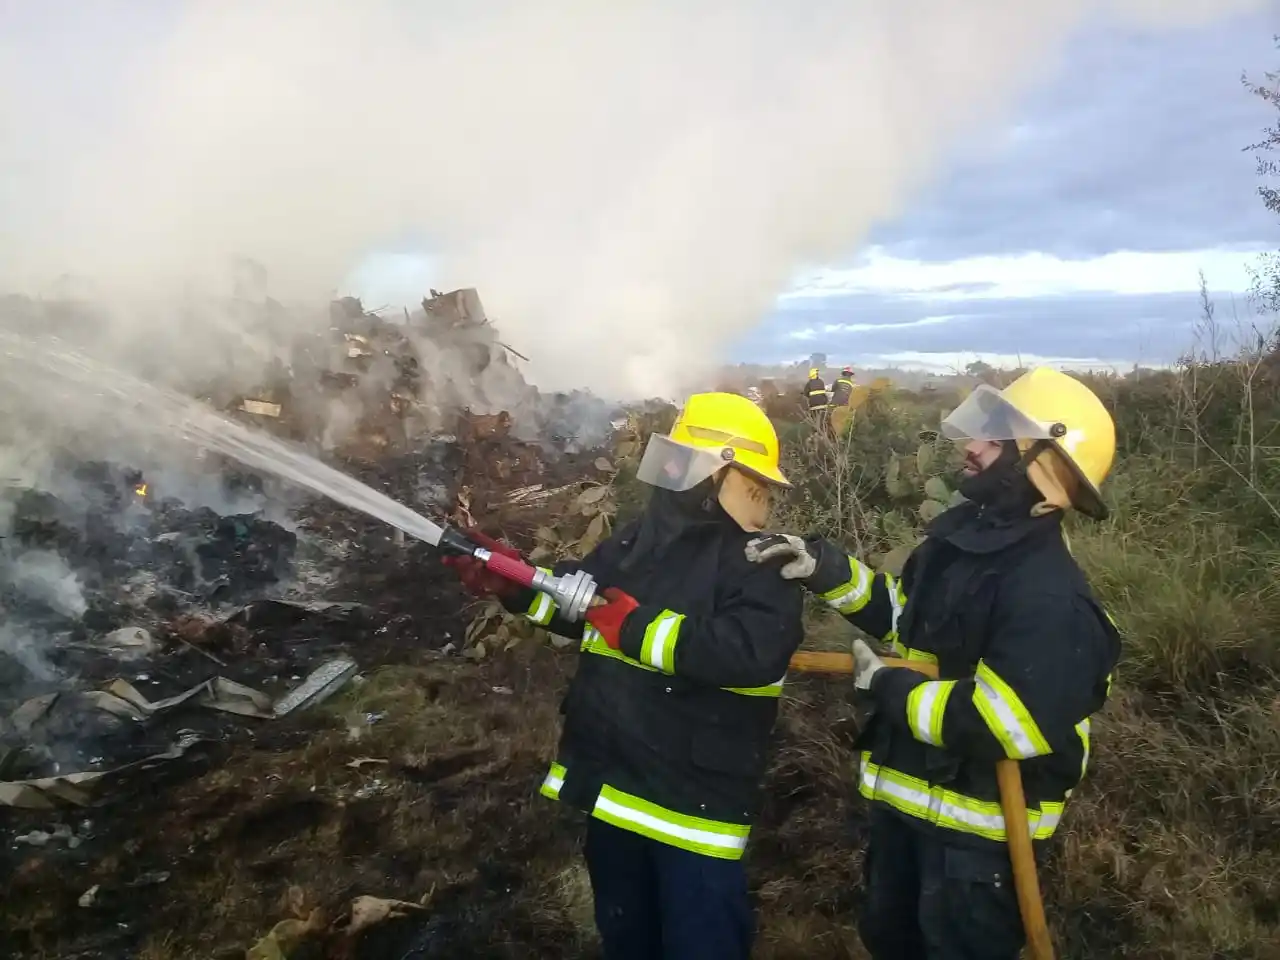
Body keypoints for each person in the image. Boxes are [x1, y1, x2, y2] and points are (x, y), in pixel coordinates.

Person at [744, 367, 1122, 960]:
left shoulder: (1049, 595)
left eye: (995, 440)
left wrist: (887, 689)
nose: (971, 447)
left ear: (1044, 466)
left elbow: (1006, 720)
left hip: (978, 850)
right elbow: (909, 617)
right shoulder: (965, 547)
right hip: (907, 817)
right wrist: (821, 568)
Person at [446, 392, 804, 960]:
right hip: (616, 793)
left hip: (694, 814)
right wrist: (513, 582)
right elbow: (582, 605)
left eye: (688, 460)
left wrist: (632, 627)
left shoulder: (760, 561)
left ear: (725, 473)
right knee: (627, 943)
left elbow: (750, 653)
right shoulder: (641, 541)